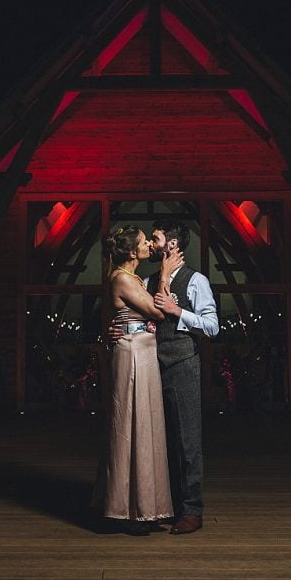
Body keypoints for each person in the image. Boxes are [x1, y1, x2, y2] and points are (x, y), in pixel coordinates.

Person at [109, 219, 219, 535]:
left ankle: (192, 511)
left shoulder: (195, 280)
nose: (152, 245)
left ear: (171, 244)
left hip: (183, 363)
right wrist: (117, 327)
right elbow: (132, 313)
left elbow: (212, 326)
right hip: (150, 366)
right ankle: (163, 505)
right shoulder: (145, 279)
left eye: (155, 240)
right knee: (159, 439)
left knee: (187, 439)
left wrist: (176, 310)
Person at [93, 225, 182, 534]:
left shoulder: (130, 278)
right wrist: (165, 275)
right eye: (144, 243)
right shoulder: (120, 278)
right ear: (132, 253)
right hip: (131, 354)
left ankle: (146, 506)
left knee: (145, 425)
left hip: (142, 352)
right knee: (130, 424)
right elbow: (158, 313)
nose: (148, 246)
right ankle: (128, 511)